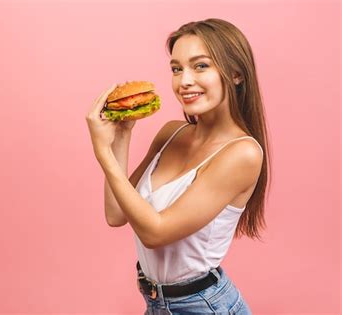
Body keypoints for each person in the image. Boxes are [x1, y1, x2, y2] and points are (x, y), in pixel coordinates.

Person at [85, 18, 271, 314]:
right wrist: (122, 136)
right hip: (157, 304)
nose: (184, 81)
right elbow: (116, 213)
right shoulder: (171, 133)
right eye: (176, 68)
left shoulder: (243, 154)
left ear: (236, 73)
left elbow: (155, 233)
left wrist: (102, 152)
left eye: (200, 66)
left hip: (204, 306)